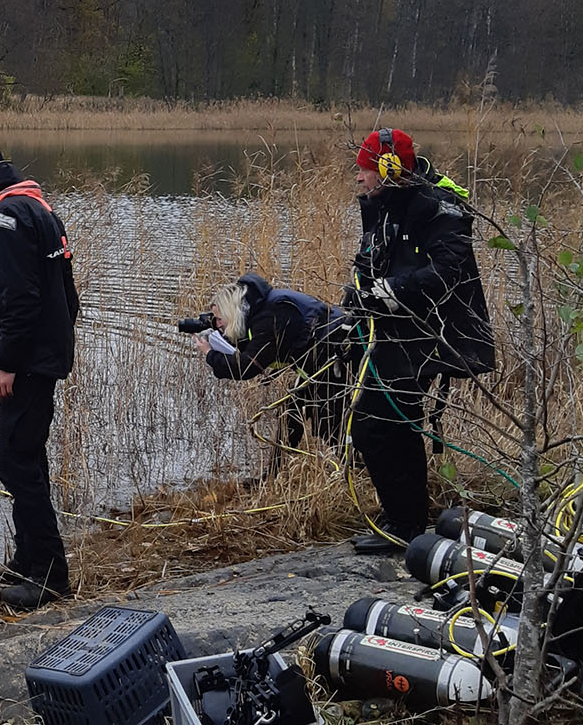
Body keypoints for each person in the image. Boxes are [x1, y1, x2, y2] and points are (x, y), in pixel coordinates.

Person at [346, 128, 495, 554]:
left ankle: (406, 525)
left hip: (430, 336)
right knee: (388, 424)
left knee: (377, 424)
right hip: (396, 331)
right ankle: (406, 519)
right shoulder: (384, 204)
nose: (358, 177)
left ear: (390, 169)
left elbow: (450, 271)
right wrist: (352, 306)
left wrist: (394, 290)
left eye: (365, 169)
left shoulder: (437, 208)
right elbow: (368, 263)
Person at [0, 142, 80, 610]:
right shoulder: (36, 207)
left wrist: (6, 362)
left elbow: (19, 300)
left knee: (16, 462)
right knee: (27, 456)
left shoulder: (6, 220)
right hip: (44, 355)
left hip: (27, 361)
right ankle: (29, 557)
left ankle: (49, 576)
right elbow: (67, 295)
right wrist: (54, 346)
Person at [195, 273, 354, 473]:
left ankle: (357, 467)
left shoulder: (269, 316)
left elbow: (246, 367)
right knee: (291, 409)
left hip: (333, 358)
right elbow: (260, 348)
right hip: (320, 358)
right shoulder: (261, 307)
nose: (218, 325)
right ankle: (276, 472)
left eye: (219, 319)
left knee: (328, 421)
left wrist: (210, 354)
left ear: (231, 312)